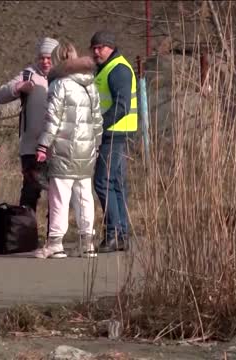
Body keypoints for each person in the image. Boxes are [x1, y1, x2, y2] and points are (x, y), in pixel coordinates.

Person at [30, 43, 103, 259]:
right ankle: (87, 243)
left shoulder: (59, 85)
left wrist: (43, 145)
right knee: (84, 196)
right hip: (87, 149)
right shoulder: (91, 85)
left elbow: (52, 119)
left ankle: (55, 243)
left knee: (59, 196)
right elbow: (98, 120)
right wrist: (95, 145)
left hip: (63, 149)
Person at [0, 37, 59, 211]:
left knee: (57, 195)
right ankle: (25, 232)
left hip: (57, 146)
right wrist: (18, 87)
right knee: (30, 192)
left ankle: (53, 236)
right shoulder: (28, 74)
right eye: (41, 57)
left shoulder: (63, 76)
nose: (45, 61)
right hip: (31, 147)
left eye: (49, 58)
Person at [89, 31, 138, 253]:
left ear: (111, 46)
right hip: (114, 134)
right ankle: (121, 234)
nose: (96, 51)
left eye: (101, 47)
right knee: (116, 184)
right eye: (94, 48)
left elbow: (121, 106)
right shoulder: (108, 67)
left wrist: (99, 125)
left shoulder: (118, 69)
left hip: (114, 134)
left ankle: (113, 234)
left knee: (103, 182)